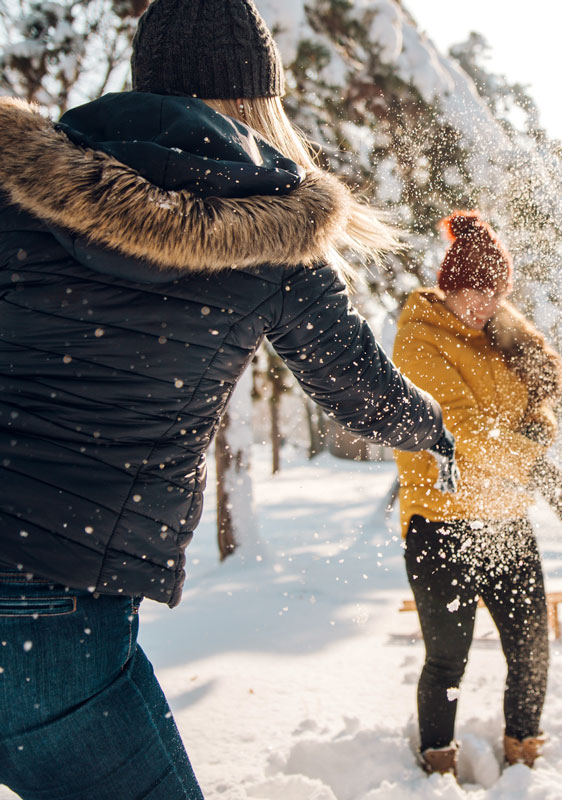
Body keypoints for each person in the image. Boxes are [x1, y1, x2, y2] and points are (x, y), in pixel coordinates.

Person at [0, 1, 456, 797]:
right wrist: (434, 425)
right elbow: (364, 397)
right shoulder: (278, 240)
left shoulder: (16, 187)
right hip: (51, 620)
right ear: (256, 99)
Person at [392, 210, 562, 777]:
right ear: (449, 286)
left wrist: (541, 423)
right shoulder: (418, 341)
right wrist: (536, 464)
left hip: (505, 519)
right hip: (441, 523)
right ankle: (437, 766)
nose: (482, 305)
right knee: (448, 659)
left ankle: (524, 753)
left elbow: (531, 410)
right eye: (473, 293)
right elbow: (463, 432)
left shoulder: (498, 336)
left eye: (493, 294)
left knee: (531, 649)